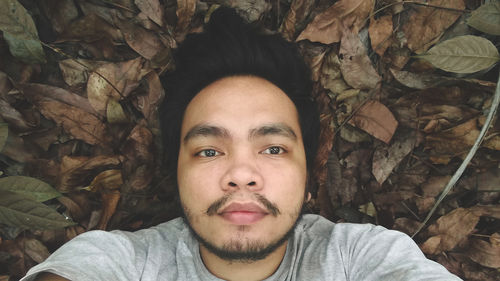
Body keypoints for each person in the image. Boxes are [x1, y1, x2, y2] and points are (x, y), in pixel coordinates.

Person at [22, 7, 461, 281]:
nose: (241, 174)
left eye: (273, 148)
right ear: (175, 174)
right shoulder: (124, 263)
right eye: (209, 150)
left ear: (310, 175)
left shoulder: (360, 258)